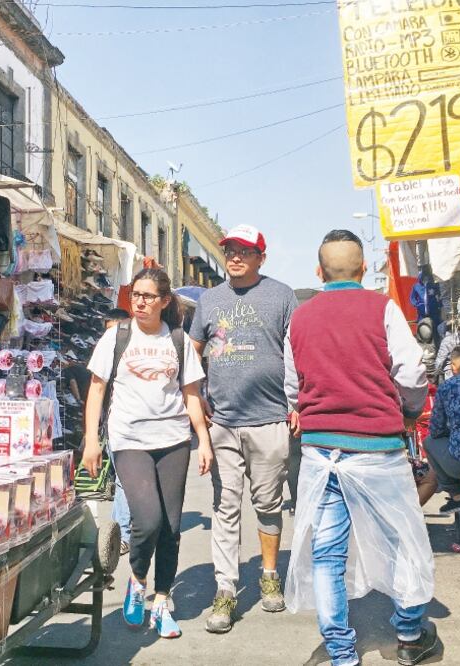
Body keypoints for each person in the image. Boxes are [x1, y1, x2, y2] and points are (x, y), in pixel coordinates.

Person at [284, 230, 439, 666]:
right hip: (377, 449)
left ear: (319, 271)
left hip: (320, 450)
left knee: (327, 554)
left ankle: (341, 652)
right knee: (403, 539)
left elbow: (291, 387)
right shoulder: (383, 308)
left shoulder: (301, 317)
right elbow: (412, 374)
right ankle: (408, 634)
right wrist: (409, 412)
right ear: (364, 268)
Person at [82, 268, 213, 639]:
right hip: (129, 440)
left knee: (171, 528)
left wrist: (202, 439)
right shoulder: (115, 337)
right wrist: (91, 439)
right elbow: (96, 390)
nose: (139, 302)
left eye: (148, 296)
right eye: (135, 295)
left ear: (164, 301)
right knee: (148, 519)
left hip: (173, 440)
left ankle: (161, 600)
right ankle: (137, 581)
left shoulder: (178, 341)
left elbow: (190, 394)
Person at [188, 223, 298, 633]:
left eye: (244, 251)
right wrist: (196, 399)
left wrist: (297, 402)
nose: (234, 256)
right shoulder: (209, 300)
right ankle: (226, 589)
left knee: (268, 505)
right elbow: (192, 353)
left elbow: (297, 351)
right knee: (225, 506)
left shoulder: (282, 295)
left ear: (260, 258)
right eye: (230, 249)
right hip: (224, 422)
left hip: (271, 419)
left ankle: (269, 574)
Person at [95, 307, 134, 555]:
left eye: (114, 332)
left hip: (131, 426)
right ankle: (122, 531)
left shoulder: (131, 355)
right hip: (112, 425)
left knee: (123, 481)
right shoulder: (103, 354)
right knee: (121, 481)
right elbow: (97, 391)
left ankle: (123, 532)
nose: (109, 338)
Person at [423, 345, 460, 515]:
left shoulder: (448, 387)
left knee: (429, 442)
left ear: (453, 367)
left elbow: (436, 429)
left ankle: (457, 496)